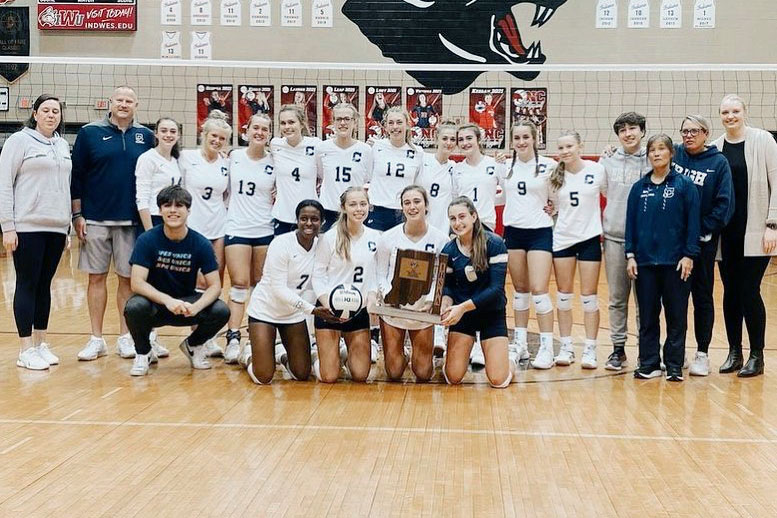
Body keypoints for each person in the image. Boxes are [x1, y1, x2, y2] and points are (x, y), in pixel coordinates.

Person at [71, 85, 154, 361]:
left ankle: (125, 337)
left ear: (136, 104)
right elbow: (77, 176)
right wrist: (77, 214)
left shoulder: (146, 136)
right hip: (94, 219)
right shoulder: (89, 133)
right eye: (119, 99)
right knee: (96, 278)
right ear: (110, 102)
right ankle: (96, 338)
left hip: (131, 221)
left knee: (128, 280)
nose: (124, 104)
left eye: (129, 100)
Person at [124, 185, 230, 376]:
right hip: (156, 305)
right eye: (167, 206)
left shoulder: (200, 243)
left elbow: (215, 285)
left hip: (187, 305)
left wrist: (197, 307)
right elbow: (137, 283)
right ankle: (143, 352)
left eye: (179, 206)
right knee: (134, 307)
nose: (173, 210)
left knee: (221, 310)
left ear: (188, 210)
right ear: (160, 210)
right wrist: (167, 300)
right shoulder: (147, 240)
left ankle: (194, 345)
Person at [0, 94, 71, 370]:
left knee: (45, 286)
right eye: (46, 110)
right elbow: (5, 184)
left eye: (56, 111)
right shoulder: (19, 141)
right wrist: (8, 226)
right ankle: (25, 348)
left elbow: (65, 187)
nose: (51, 115)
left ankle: (41, 344)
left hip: (55, 227)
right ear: (35, 113)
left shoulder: (62, 144)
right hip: (28, 226)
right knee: (27, 284)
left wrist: (66, 229)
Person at [711, 94, 777, 377]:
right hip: (725, 234)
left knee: (749, 291)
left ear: (744, 112)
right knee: (730, 292)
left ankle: (757, 356)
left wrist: (772, 225)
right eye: (725, 112)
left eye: (735, 111)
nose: (730, 116)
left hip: (756, 231)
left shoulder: (763, 140)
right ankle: (734, 351)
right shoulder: (714, 147)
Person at [626, 135, 700, 382]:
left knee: (676, 316)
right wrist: (630, 255)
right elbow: (631, 225)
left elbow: (693, 224)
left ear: (671, 153)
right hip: (645, 263)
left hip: (675, 263)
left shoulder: (684, 185)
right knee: (647, 316)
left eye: (661, 149)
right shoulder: (639, 188)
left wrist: (689, 255)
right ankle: (649, 363)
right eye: (652, 150)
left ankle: (674, 365)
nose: (656, 153)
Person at [245, 200, 339, 384]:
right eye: (304, 219)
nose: (309, 223)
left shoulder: (322, 246)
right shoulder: (281, 244)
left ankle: (281, 356)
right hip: (266, 310)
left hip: (293, 315)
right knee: (263, 377)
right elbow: (278, 288)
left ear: (322, 222)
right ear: (296, 220)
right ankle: (248, 355)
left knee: (302, 373)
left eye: (314, 219)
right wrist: (311, 310)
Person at [673, 115, 734, 376]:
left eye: (694, 131)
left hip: (702, 244)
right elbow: (647, 149)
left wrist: (700, 230)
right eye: (684, 131)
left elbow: (724, 205)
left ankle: (702, 353)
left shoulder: (718, 162)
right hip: (674, 243)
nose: (688, 135)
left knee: (702, 298)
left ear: (706, 133)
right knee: (676, 299)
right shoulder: (675, 154)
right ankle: (678, 351)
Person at [376, 186, 449, 381]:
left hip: (422, 311)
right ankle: (402, 355)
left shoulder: (441, 239)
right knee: (394, 372)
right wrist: (386, 294)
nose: (412, 207)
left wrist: (432, 299)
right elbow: (381, 274)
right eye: (407, 203)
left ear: (426, 205)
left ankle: (419, 356)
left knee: (424, 373)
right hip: (394, 308)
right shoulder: (388, 238)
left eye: (417, 201)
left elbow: (441, 278)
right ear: (401, 208)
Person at [501, 121, 557, 369]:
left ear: (535, 138)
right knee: (520, 289)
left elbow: (559, 197)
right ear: (511, 141)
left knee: (539, 289)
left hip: (540, 232)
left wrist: (554, 208)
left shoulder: (549, 165)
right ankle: (521, 343)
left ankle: (546, 347)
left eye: (526, 137)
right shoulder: (504, 166)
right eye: (517, 138)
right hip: (513, 231)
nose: (522, 142)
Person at [440, 196, 512, 388]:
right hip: (463, 316)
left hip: (491, 313)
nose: (457, 222)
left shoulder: (495, 243)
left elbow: (496, 291)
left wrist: (461, 307)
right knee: (453, 377)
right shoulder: (449, 249)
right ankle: (458, 353)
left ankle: (507, 359)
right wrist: (446, 303)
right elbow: (448, 285)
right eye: (453, 218)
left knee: (498, 380)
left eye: (462, 216)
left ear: (474, 216)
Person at [549, 130, 606, 369]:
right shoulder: (553, 176)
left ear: (580, 146)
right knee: (563, 296)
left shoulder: (596, 169)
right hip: (562, 238)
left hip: (590, 238)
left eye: (569, 146)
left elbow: (611, 196)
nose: (565, 151)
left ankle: (590, 349)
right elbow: (549, 206)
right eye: (561, 148)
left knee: (589, 298)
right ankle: (566, 346)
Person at [312, 187, 380, 383]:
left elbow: (377, 274)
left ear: (369, 206)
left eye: (363, 204)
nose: (359, 209)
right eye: (352, 204)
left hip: (359, 310)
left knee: (360, 375)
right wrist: (329, 305)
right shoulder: (329, 238)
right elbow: (318, 275)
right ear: (343, 207)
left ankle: (340, 353)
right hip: (329, 310)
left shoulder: (376, 238)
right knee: (329, 377)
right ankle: (321, 356)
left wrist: (373, 295)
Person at [222, 113, 275, 363]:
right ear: (247, 130)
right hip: (238, 228)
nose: (260, 132)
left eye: (265, 129)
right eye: (256, 127)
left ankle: (257, 338)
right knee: (239, 284)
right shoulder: (234, 157)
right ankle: (233, 337)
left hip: (265, 228)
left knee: (261, 285)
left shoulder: (274, 161)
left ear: (269, 134)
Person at [452, 123, 505, 367]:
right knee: (466, 284)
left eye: (468, 138)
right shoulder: (456, 169)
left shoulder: (494, 164)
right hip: (462, 231)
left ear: (479, 139)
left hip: (486, 230)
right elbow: (453, 201)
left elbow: (507, 191)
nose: (464, 143)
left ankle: (485, 344)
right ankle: (465, 336)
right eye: (460, 139)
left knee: (488, 284)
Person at [599, 112, 649, 371]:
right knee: (618, 298)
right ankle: (618, 349)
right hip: (615, 238)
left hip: (645, 243)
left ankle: (645, 351)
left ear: (642, 131)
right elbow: (605, 191)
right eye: (623, 130)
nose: (628, 134)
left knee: (645, 300)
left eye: (633, 128)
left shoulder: (654, 158)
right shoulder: (607, 160)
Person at [179, 110, 231, 357]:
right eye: (214, 136)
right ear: (204, 134)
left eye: (222, 138)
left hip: (218, 227)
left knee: (214, 283)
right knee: (196, 284)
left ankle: (208, 337)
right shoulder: (187, 158)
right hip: (193, 229)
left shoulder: (226, 164)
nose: (217, 141)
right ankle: (195, 337)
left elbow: (228, 195)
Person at [367, 106, 424, 232]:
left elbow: (418, 186)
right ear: (385, 126)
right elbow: (366, 176)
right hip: (377, 210)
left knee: (401, 251)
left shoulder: (417, 152)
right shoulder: (376, 147)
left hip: (404, 213)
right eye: (391, 123)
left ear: (408, 125)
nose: (395, 127)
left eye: (399, 122)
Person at [317, 103, 372, 232]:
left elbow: (366, 178)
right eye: (339, 119)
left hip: (354, 212)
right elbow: (321, 174)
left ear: (354, 122)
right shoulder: (322, 148)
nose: (343, 123)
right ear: (333, 122)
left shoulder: (365, 150)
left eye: (347, 119)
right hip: (328, 210)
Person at [271, 104, 322, 235]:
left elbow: (323, 175)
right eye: (283, 123)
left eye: (291, 122)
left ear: (302, 123)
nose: (287, 127)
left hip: (309, 216)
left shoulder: (315, 145)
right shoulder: (275, 144)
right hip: (282, 215)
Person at [136, 118, 183, 232]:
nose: (168, 135)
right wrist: (149, 232)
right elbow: (142, 199)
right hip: (153, 218)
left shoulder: (178, 159)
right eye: (164, 130)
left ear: (178, 136)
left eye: (172, 131)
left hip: (173, 218)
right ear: (156, 134)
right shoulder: (147, 158)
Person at [417, 120, 457, 233]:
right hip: (418, 225)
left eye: (452, 139)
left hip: (442, 229)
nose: (448, 143)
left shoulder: (455, 168)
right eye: (444, 138)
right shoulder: (421, 159)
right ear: (436, 138)